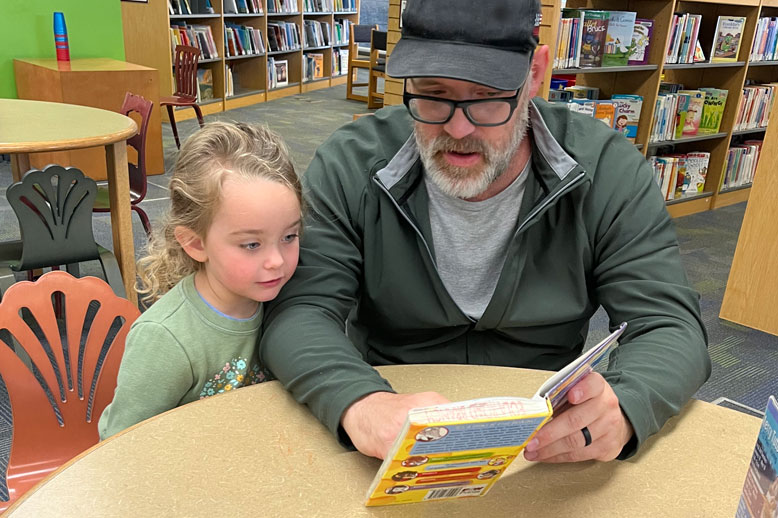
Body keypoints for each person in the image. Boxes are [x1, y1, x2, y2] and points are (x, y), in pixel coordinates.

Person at [260, 0, 710, 465]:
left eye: (487, 95)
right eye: (432, 94)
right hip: (388, 417)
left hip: (543, 441)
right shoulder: (351, 164)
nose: (458, 127)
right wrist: (359, 402)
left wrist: (623, 408)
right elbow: (300, 309)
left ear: (535, 74)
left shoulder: (606, 171)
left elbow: (670, 325)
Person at [99, 122, 302, 439]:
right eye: (251, 244)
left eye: (289, 236)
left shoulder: (290, 297)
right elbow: (121, 444)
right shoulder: (164, 340)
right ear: (195, 244)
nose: (277, 260)